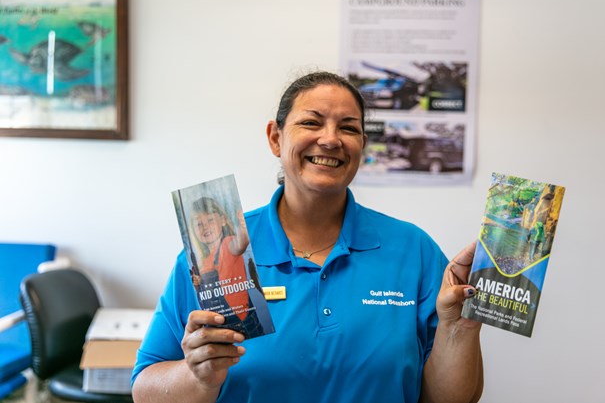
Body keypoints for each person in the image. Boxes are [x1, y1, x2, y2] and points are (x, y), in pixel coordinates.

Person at [132, 71, 483, 403]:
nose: (330, 139)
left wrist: (460, 329)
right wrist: (197, 377)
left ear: (362, 144)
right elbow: (144, 388)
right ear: (275, 137)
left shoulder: (413, 250)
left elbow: (453, 398)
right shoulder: (220, 249)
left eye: (348, 128)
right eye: (311, 122)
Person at [187, 197, 263, 337]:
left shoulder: (228, 245)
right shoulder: (201, 263)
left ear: (222, 220)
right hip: (218, 325)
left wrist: (243, 227)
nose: (205, 227)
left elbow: (240, 243)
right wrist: (197, 282)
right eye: (199, 224)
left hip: (244, 321)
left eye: (210, 220)